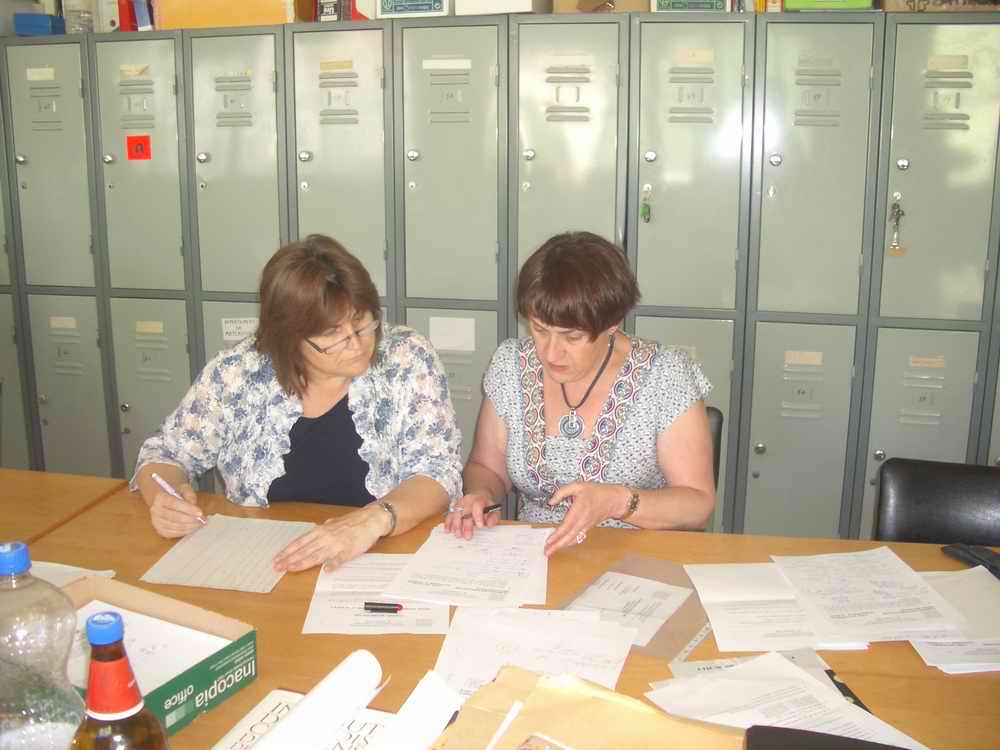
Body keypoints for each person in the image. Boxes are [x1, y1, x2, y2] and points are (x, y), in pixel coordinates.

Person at [132, 235, 462, 572]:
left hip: (379, 560)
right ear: (289, 336)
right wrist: (164, 499)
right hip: (266, 563)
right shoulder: (237, 373)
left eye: (361, 320)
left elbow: (438, 471)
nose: (357, 343)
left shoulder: (406, 359)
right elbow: (165, 454)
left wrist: (374, 520)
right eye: (332, 334)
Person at [445, 231, 715, 556]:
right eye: (539, 330)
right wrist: (482, 496)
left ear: (612, 323)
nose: (550, 353)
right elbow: (486, 467)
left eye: (572, 337)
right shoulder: (511, 365)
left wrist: (619, 502)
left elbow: (697, 503)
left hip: (635, 556)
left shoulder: (665, 375)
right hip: (534, 557)